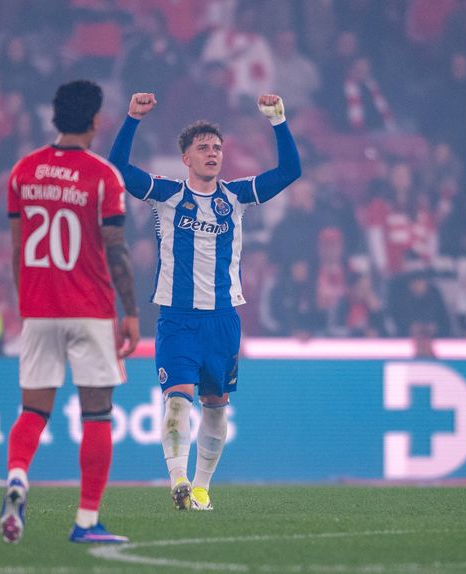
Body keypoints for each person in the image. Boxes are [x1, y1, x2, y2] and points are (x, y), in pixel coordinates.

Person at [108, 92, 300, 511]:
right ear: (186, 158)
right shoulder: (166, 195)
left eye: (217, 148)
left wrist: (278, 120)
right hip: (177, 319)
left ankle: (201, 488)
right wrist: (132, 119)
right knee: (177, 400)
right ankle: (178, 480)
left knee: (215, 406)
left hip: (223, 320)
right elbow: (117, 170)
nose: (212, 153)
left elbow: (290, 170)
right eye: (203, 148)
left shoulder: (237, 196)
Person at [0, 80, 139, 545]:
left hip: (38, 309)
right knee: (96, 414)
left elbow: (18, 249)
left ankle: (18, 475)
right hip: (90, 310)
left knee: (33, 410)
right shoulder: (103, 177)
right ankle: (85, 522)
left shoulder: (23, 172)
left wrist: (27, 305)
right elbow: (116, 252)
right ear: (96, 121)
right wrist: (132, 313)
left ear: (55, 117)